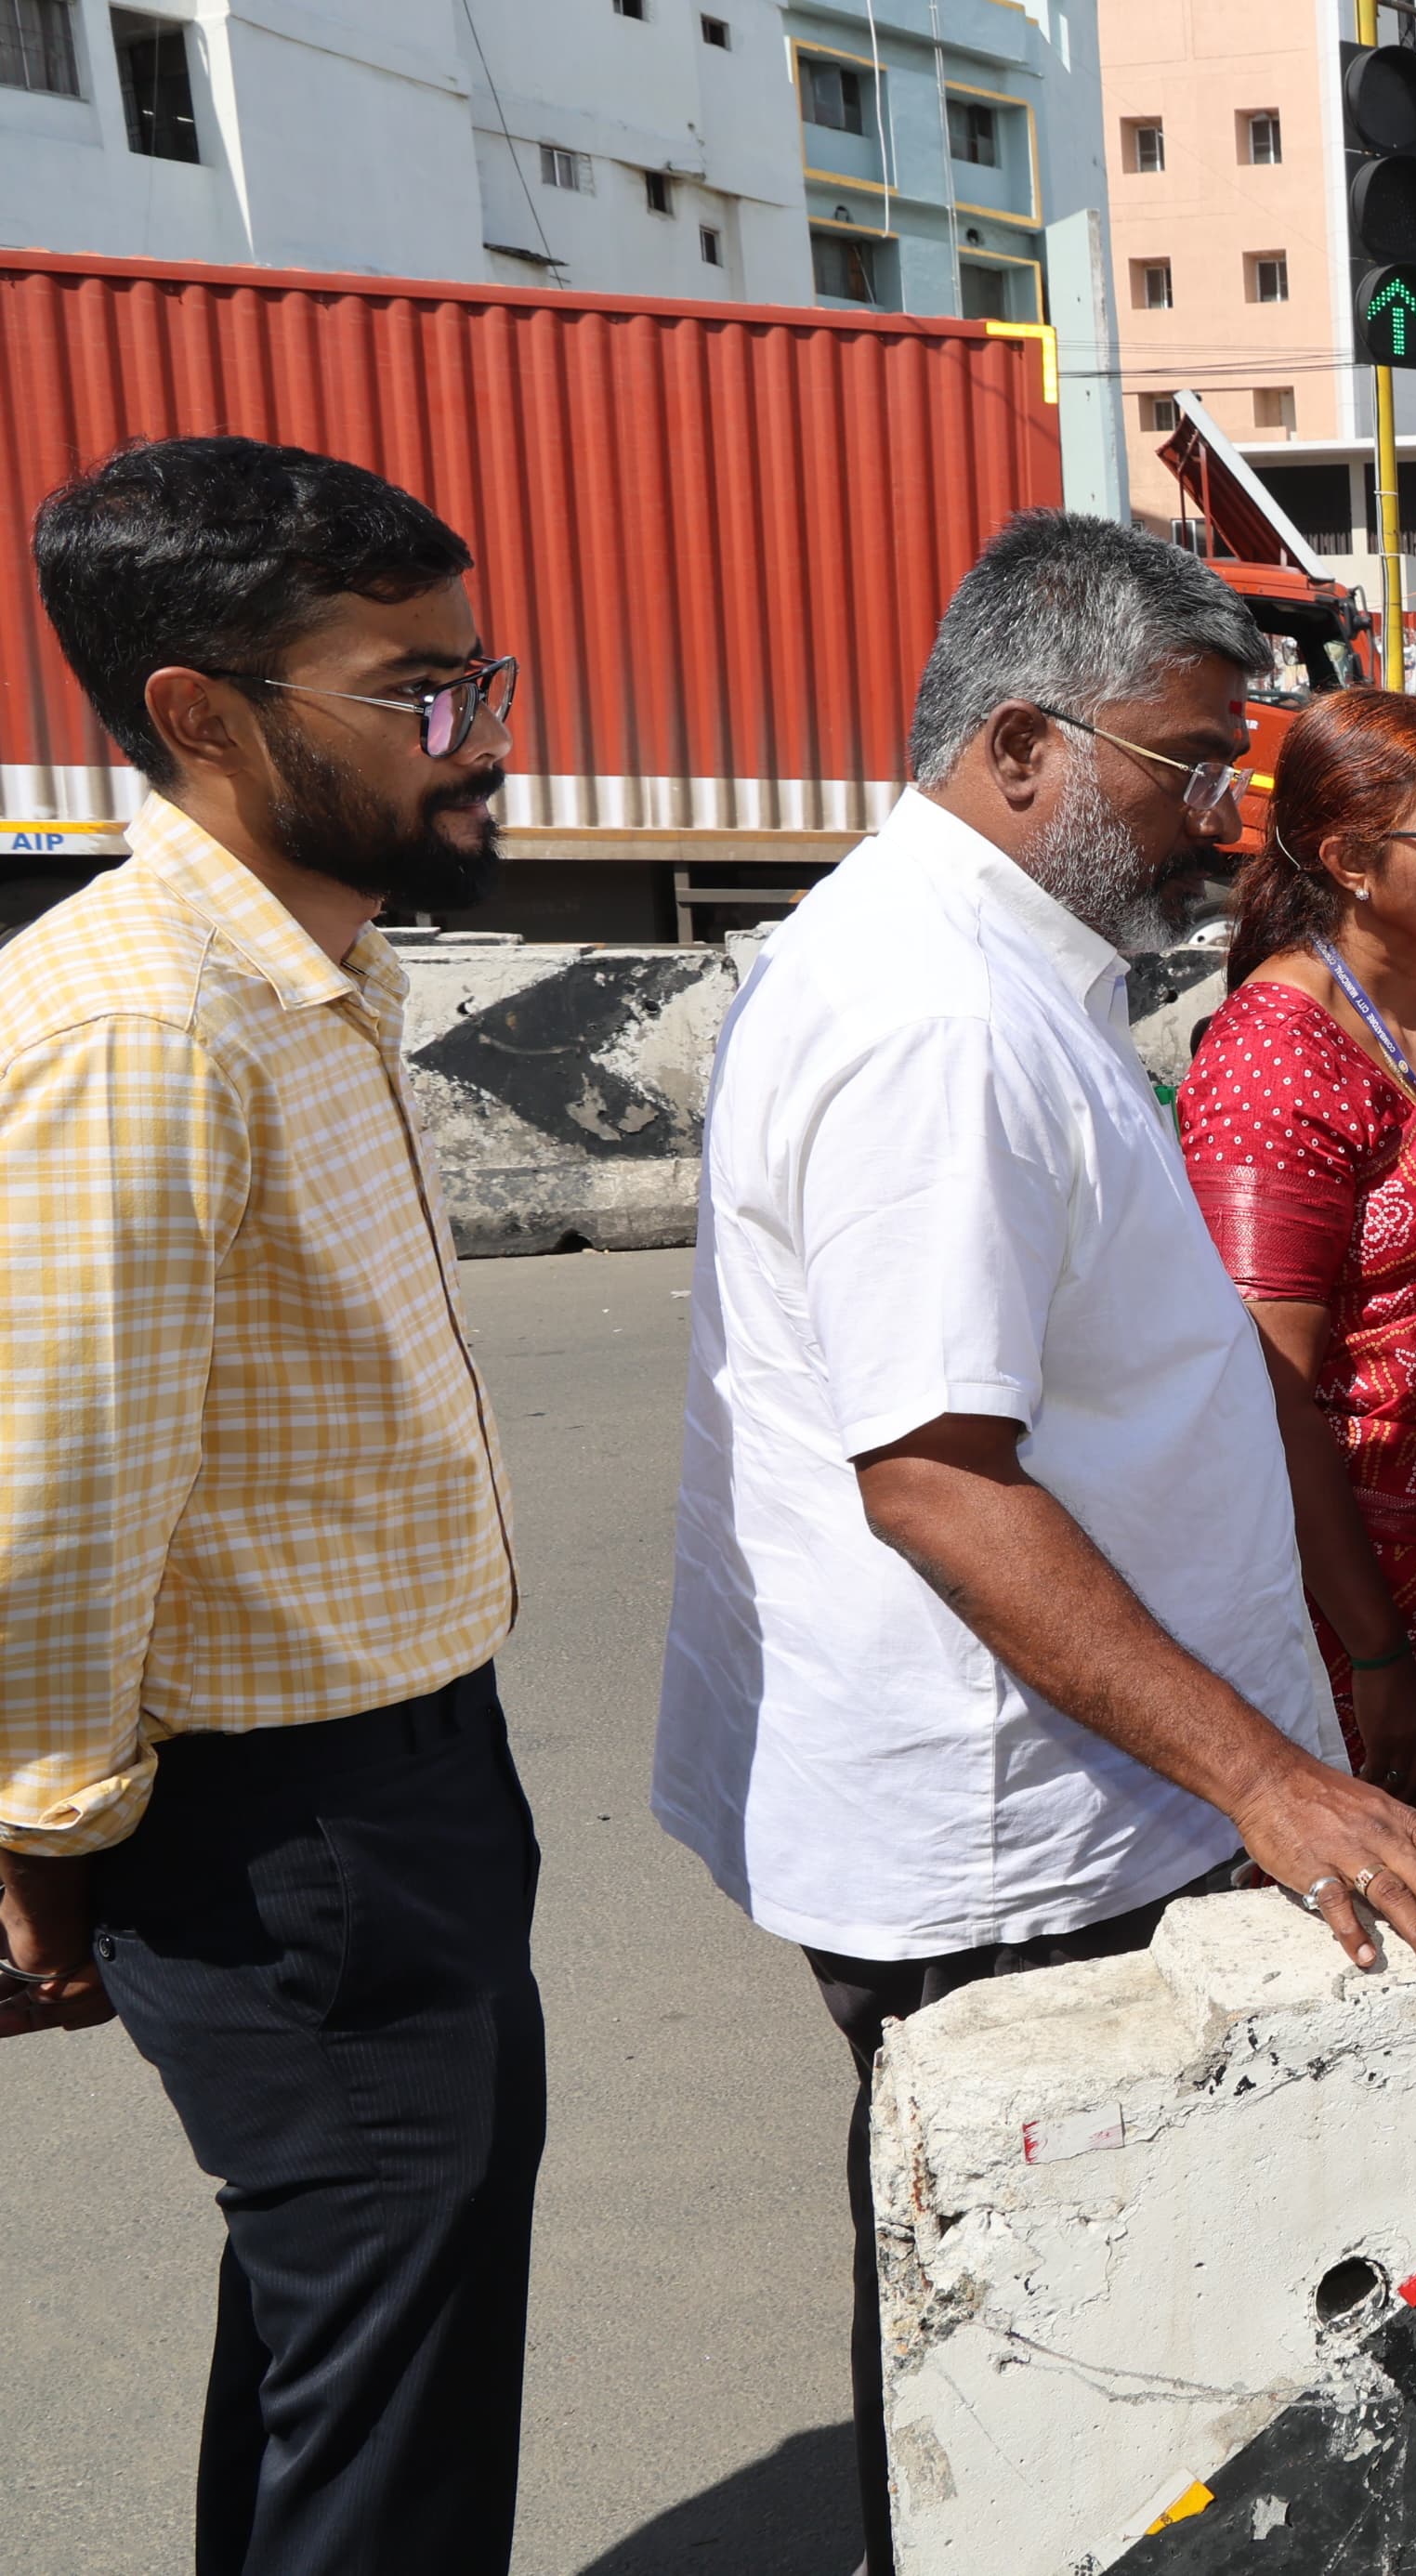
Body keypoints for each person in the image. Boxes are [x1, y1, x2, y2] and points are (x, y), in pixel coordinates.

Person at [654, 513, 1416, 2576]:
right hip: (1015, 1836)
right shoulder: (935, 1016)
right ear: (1026, 744)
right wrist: (1274, 1779)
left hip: (1073, 1795)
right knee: (1029, 2375)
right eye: (1187, 763)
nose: (1223, 819)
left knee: (1060, 2354)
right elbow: (938, 1478)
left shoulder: (993, 970)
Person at [0, 437, 541, 2576]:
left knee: (366, 2346)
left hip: (403, 1782)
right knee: (385, 2407)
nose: (474, 734)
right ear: (199, 717)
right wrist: (45, 1835)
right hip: (285, 1831)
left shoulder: (308, 976)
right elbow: (52, 1505)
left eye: (475, 675)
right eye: (414, 690)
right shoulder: (150, 1028)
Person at [1177, 691, 1416, 1817]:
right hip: (1356, 1610)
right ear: (1348, 861)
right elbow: (1267, 1395)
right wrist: (1378, 1653)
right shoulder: (1275, 1062)